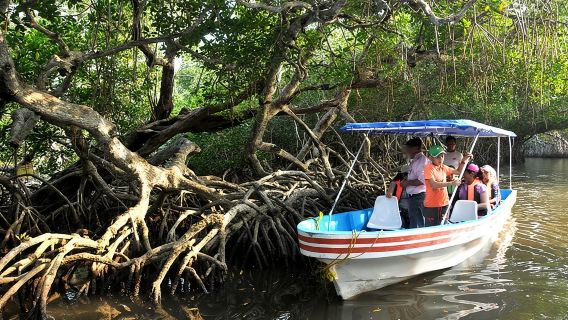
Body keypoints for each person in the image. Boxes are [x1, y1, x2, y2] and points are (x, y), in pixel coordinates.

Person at [423, 145, 472, 226]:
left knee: (443, 225)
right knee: (431, 227)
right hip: (432, 205)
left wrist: (463, 160)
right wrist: (451, 183)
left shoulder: (443, 167)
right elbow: (434, 185)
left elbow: (458, 172)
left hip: (444, 203)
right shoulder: (428, 168)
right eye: (437, 157)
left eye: (442, 156)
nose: (441, 159)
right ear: (431, 158)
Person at [400, 137, 428, 228]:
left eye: (408, 148)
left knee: (417, 222)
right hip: (414, 196)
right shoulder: (416, 160)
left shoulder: (421, 161)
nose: (406, 151)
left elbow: (422, 180)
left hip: (419, 196)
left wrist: (407, 183)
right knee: (414, 219)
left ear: (415, 148)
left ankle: (418, 239)